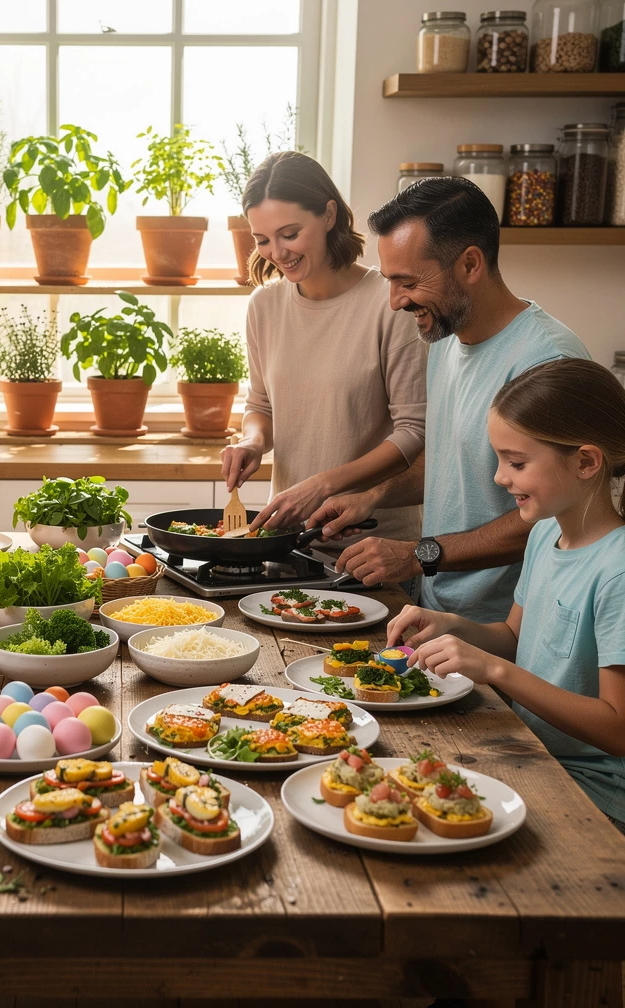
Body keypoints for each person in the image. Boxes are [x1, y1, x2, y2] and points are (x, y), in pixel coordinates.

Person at [310, 177, 589, 622]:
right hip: (435, 611)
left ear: (470, 264)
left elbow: (554, 516)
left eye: (407, 282)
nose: (394, 302)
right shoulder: (444, 337)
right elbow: (451, 462)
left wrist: (418, 554)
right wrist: (374, 496)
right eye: (389, 282)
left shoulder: (546, 361)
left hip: (505, 629)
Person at [387, 359, 625, 829]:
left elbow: (617, 728)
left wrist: (495, 671)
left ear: (585, 462)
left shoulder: (616, 569)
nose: (500, 477)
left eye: (516, 463)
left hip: (594, 792)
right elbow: (515, 637)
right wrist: (453, 627)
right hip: (533, 756)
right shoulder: (544, 534)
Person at [220, 151, 426, 550]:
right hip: (288, 541)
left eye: (289, 234)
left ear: (329, 215)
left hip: (375, 549)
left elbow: (413, 432)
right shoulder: (264, 305)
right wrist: (252, 443)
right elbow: (260, 405)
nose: (277, 253)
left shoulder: (389, 304)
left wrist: (323, 485)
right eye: (262, 240)